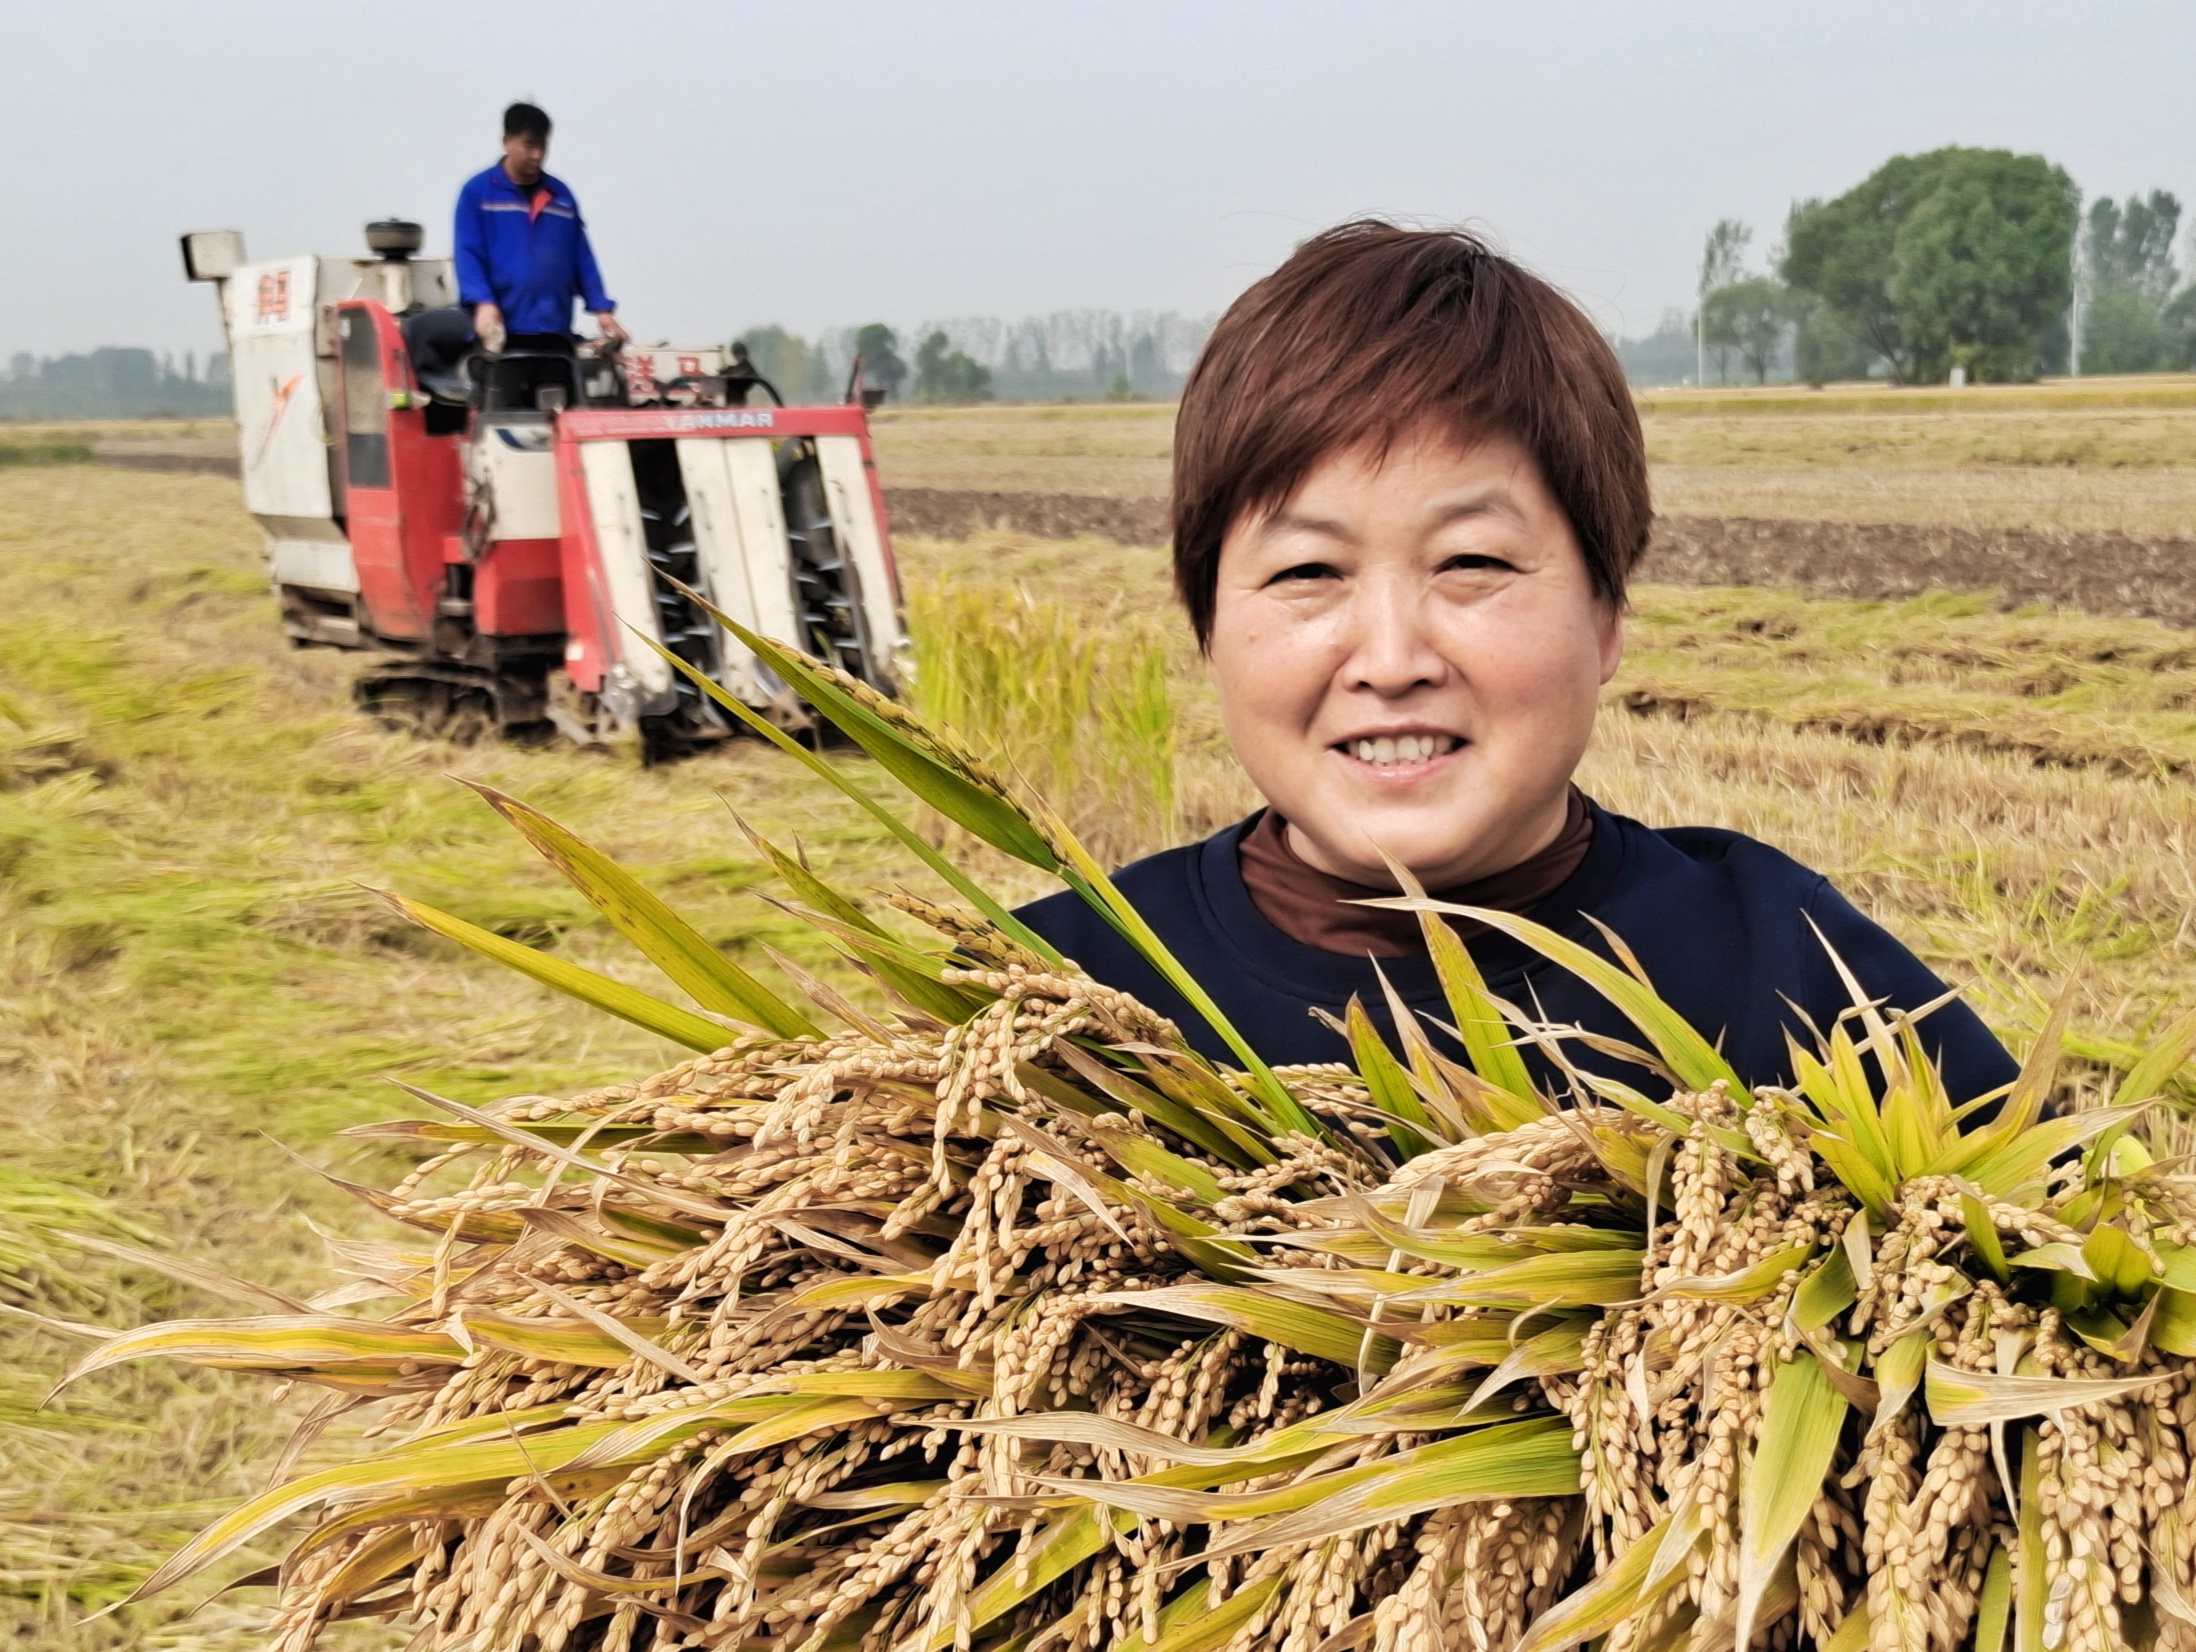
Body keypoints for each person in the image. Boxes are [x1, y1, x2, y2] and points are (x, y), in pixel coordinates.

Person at [1017, 220, 2018, 1106]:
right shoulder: (1051, 1004)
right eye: (1308, 570)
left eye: (1473, 563)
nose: (1391, 660)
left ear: (1607, 613)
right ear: (1206, 624)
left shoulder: (1787, 972)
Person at [453, 102, 625, 356]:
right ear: (506, 141)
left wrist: (602, 309)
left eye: (543, 146)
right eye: (529, 145)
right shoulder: (478, 193)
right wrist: (483, 302)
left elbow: (581, 256)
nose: (537, 154)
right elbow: (468, 253)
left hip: (554, 330)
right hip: (501, 333)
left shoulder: (560, 197)